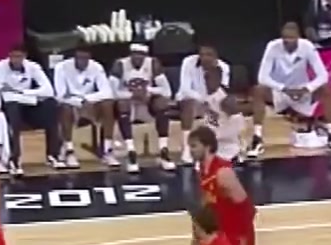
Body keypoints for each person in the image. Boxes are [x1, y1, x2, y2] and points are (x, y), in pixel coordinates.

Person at [255, 21, 331, 152]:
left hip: (302, 92)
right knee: (258, 90)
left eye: (291, 39)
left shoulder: (307, 46)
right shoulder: (272, 46)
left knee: (326, 88)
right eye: (285, 39)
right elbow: (262, 77)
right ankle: (257, 138)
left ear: (298, 37)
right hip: (281, 92)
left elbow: (323, 75)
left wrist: (307, 88)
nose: (288, 42)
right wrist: (284, 89)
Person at [0, 45, 60, 175]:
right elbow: (5, 95)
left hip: (28, 104)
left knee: (51, 105)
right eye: (13, 56)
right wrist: (30, 95)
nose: (15, 59)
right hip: (9, 107)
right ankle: (14, 159)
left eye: (19, 57)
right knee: (13, 108)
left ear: (24, 56)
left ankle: (53, 155)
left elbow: (49, 91)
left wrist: (22, 92)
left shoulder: (33, 67)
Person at [111, 44, 173, 174]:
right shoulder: (120, 64)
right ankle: (131, 152)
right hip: (127, 104)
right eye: (135, 54)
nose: (137, 57)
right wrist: (132, 95)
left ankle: (163, 150)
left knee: (162, 103)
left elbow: (167, 91)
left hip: (146, 103)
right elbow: (111, 92)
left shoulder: (153, 64)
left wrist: (147, 91)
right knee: (122, 104)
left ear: (146, 56)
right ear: (130, 54)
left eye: (141, 55)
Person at [51, 45, 115, 171]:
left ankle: (107, 150)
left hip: (90, 103)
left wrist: (88, 99)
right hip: (71, 103)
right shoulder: (61, 67)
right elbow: (60, 95)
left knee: (107, 104)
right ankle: (69, 150)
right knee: (65, 107)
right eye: (80, 58)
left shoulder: (96, 67)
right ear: (74, 57)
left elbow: (107, 92)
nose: (83, 61)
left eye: (86, 58)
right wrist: (80, 101)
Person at [176, 45, 233, 167]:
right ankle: (187, 149)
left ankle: (233, 145)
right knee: (189, 104)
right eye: (202, 55)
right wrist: (204, 100)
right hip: (191, 98)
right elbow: (185, 89)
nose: (205, 58)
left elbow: (223, 90)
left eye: (209, 55)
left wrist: (212, 102)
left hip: (211, 100)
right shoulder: (188, 62)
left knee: (229, 103)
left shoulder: (224, 67)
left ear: (216, 57)